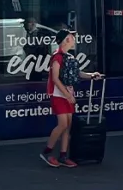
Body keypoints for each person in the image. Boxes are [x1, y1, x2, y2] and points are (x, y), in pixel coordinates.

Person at [42, 29, 101, 168]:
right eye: (71, 37)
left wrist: (91, 75)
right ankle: (47, 152)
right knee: (62, 124)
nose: (74, 40)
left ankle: (63, 155)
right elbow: (55, 79)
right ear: (66, 40)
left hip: (68, 95)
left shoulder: (69, 57)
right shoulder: (56, 57)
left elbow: (77, 73)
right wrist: (67, 95)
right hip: (58, 95)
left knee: (68, 126)